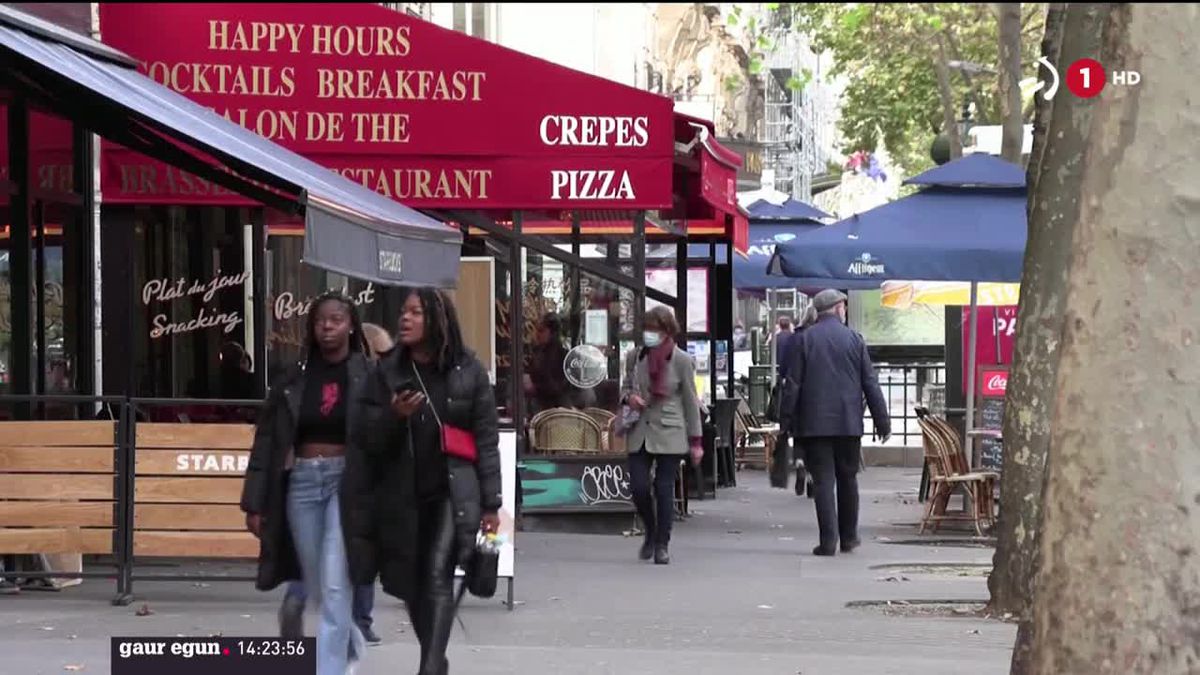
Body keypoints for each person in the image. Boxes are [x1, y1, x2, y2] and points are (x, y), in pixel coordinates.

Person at [369, 288, 501, 675]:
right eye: (403, 312)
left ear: (437, 321)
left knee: (436, 573)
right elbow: (367, 436)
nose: (404, 319)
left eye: (414, 312)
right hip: (403, 491)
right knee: (411, 583)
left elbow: (487, 439)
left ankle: (428, 667)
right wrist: (393, 417)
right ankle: (436, 657)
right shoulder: (388, 370)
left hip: (452, 490)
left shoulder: (469, 371)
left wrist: (492, 504)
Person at [240, 292, 374, 675]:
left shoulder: (367, 376)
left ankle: (332, 667)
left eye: (335, 319)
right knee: (316, 581)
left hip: (344, 484)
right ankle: (350, 640)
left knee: (335, 582)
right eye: (320, 321)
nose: (327, 326)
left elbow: (384, 437)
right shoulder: (293, 378)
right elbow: (266, 441)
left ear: (351, 325)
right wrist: (256, 502)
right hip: (301, 482)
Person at [277, 322, 396, 645]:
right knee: (357, 551)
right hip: (352, 477)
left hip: (327, 473)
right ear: (369, 350)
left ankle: (300, 594)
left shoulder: (338, 381)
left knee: (322, 549)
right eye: (384, 352)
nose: (389, 358)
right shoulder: (369, 383)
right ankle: (360, 621)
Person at [782, 289, 890, 557]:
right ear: (839, 308)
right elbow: (870, 383)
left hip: (814, 425)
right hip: (848, 423)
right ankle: (850, 537)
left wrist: (786, 421)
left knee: (823, 482)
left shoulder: (805, 340)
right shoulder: (855, 340)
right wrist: (882, 421)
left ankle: (828, 541)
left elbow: (792, 385)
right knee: (848, 479)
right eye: (844, 306)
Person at [621, 306, 703, 565]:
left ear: (667, 331)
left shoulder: (681, 360)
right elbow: (624, 388)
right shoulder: (634, 356)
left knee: (664, 487)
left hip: (670, 431)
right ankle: (650, 530)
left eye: (654, 330)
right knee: (639, 486)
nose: (649, 334)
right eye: (646, 329)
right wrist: (628, 398)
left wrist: (696, 441)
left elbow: (691, 402)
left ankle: (661, 544)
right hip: (640, 430)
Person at [525, 312, 571, 413]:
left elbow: (559, 386)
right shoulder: (537, 351)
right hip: (538, 406)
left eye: (541, 331)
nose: (537, 334)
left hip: (556, 408)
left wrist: (535, 387)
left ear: (552, 333)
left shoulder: (563, 355)